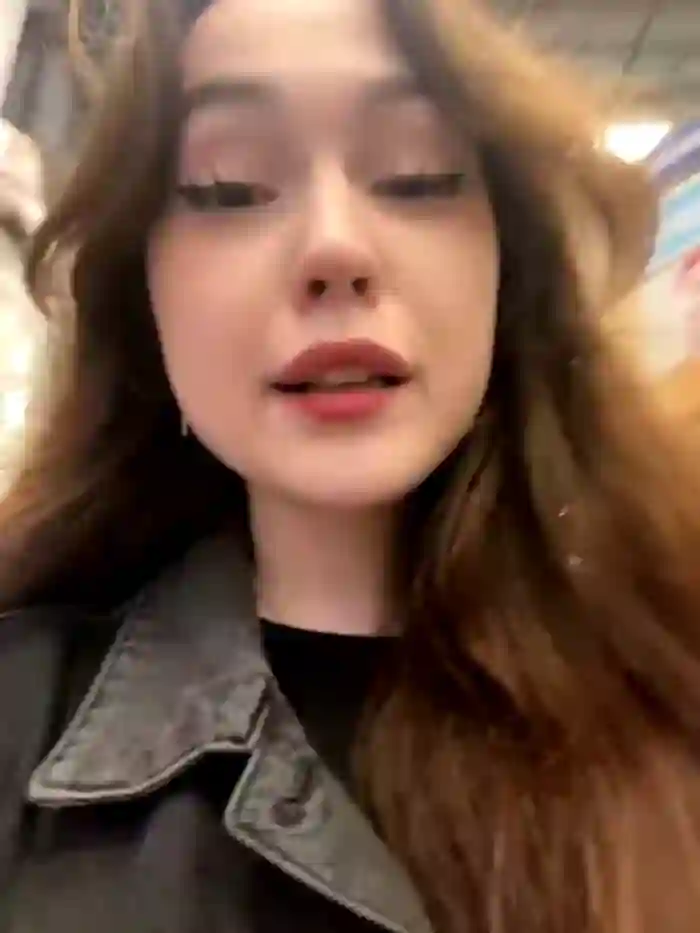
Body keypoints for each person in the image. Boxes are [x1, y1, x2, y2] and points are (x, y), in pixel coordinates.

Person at [1, 0, 700, 931]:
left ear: (509, 266)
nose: (334, 246)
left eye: (418, 175)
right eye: (229, 186)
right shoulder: (17, 718)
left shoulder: (671, 689)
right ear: (147, 295)